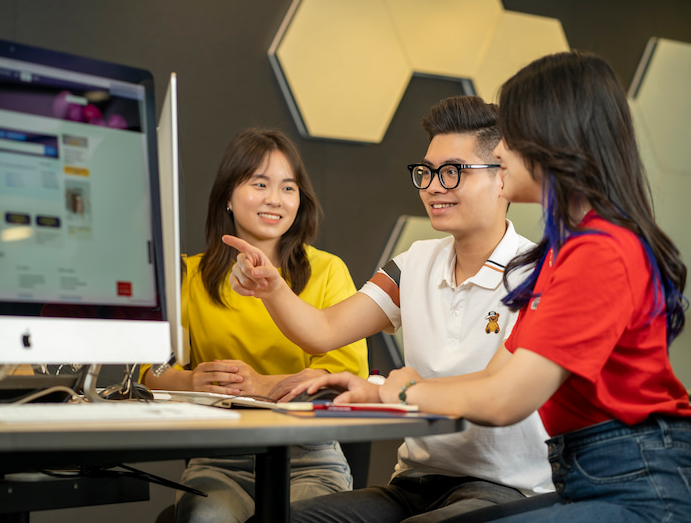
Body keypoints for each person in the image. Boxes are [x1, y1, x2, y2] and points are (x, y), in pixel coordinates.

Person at [285, 52, 691, 522]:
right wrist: (380, 391)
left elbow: (504, 401)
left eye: (511, 136)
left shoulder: (600, 251)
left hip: (636, 484)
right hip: (588, 476)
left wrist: (400, 391)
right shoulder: (565, 252)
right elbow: (497, 377)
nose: (499, 153)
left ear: (554, 138)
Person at [227, 96, 554, 522]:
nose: (434, 186)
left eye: (452, 172)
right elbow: (324, 329)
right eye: (427, 172)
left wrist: (391, 389)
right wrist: (272, 287)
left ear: (501, 177)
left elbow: (501, 389)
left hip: (506, 489)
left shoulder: (539, 271)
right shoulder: (414, 262)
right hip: (413, 482)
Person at [142, 127, 369, 523]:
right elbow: (149, 375)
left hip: (310, 457)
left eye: (288, 188)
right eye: (259, 183)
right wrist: (192, 381)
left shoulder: (328, 270)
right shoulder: (187, 274)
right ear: (227, 196)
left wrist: (261, 385)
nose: (274, 200)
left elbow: (345, 376)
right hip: (218, 459)